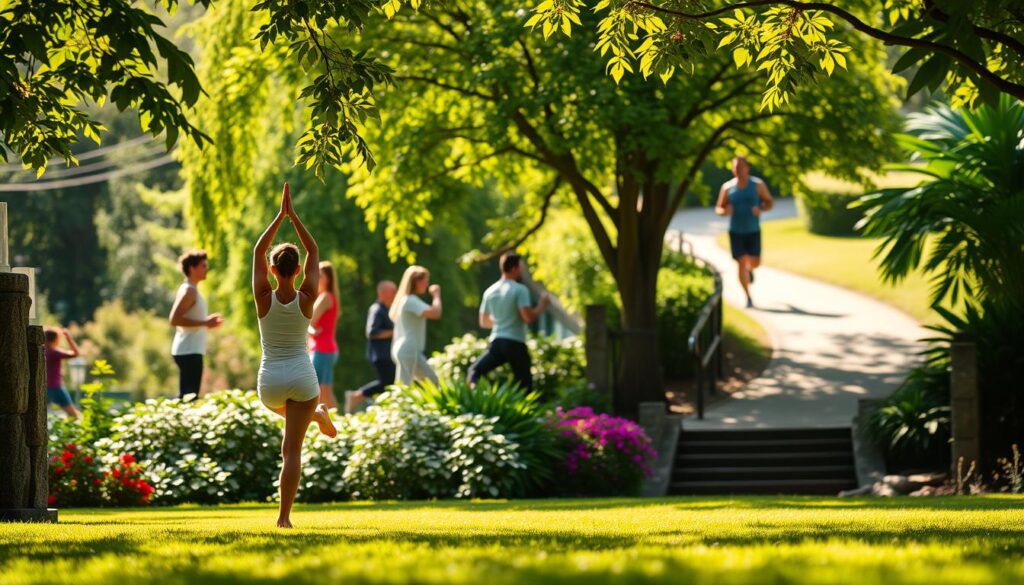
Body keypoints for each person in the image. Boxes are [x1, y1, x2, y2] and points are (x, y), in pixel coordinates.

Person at [252, 183, 337, 528]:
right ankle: (283, 518)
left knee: (287, 425)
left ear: (273, 270)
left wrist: (279, 216)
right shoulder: (307, 295)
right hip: (303, 378)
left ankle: (316, 415)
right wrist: (294, 216)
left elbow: (258, 250)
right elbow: (314, 249)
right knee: (292, 450)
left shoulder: (262, 295)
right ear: (299, 269)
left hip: (270, 383)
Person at [468, 253, 549, 391]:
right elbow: (528, 317)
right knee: (524, 384)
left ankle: (474, 396)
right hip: (515, 342)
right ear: (513, 268)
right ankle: (524, 410)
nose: (522, 271)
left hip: (497, 342)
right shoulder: (519, 290)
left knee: (474, 371)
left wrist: (501, 320)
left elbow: (484, 322)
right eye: (520, 268)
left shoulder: (490, 291)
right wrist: (542, 305)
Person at [715, 155, 774, 308]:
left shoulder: (757, 185)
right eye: (736, 167)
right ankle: (748, 297)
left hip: (753, 230)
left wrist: (760, 208)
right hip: (735, 232)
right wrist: (725, 211)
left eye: (741, 167)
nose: (739, 170)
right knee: (741, 262)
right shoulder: (727, 188)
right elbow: (718, 208)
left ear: (747, 168)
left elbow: (769, 203)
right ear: (733, 170)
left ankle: (750, 268)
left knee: (755, 262)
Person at [168, 249, 224, 400]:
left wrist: (206, 323)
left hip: (190, 350)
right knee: (189, 397)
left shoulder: (190, 290)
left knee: (189, 396)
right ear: (192, 268)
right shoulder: (189, 291)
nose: (207, 269)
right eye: (203, 266)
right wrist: (205, 322)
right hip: (188, 350)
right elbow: (174, 319)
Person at [345, 280, 397, 414]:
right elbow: (372, 332)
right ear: (383, 293)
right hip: (380, 355)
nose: (396, 294)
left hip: (386, 354)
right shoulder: (377, 309)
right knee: (387, 383)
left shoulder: (387, 309)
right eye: (393, 291)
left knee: (388, 383)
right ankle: (356, 396)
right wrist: (395, 332)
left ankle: (362, 399)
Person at [390, 266, 441, 385]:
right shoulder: (410, 300)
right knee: (404, 386)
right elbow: (435, 313)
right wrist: (436, 295)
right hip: (409, 349)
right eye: (425, 280)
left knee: (432, 382)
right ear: (417, 281)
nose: (427, 284)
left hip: (409, 350)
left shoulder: (406, 300)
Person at [307, 261, 340, 410]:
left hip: (323, 350)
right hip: (322, 349)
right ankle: (327, 424)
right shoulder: (325, 296)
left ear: (329, 278)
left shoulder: (326, 297)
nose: (317, 278)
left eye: (320, 275)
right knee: (320, 392)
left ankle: (337, 424)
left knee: (323, 392)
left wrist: (310, 329)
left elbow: (308, 320)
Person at [44, 327, 82, 419]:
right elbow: (75, 353)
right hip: (56, 387)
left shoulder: (43, 351)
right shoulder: (54, 352)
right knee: (74, 415)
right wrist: (68, 337)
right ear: (56, 339)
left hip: (45, 387)